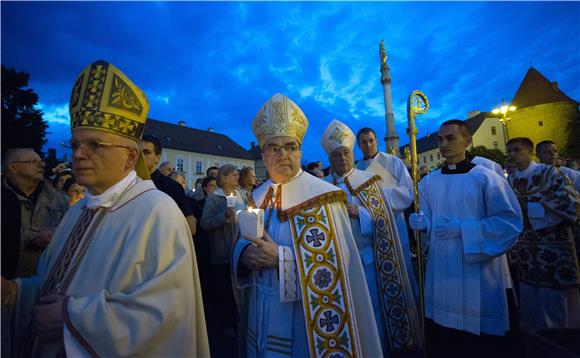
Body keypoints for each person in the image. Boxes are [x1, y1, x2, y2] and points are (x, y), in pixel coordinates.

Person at [0, 60, 209, 357]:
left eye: (95, 144)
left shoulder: (159, 213)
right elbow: (51, 289)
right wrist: (14, 293)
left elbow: (167, 317)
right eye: (74, 144)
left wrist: (71, 320)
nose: (78, 154)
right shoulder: (78, 210)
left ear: (130, 156)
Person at [232, 94, 382, 357]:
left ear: (300, 152)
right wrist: (244, 255)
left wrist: (280, 258)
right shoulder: (256, 196)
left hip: (304, 322)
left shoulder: (323, 195)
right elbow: (241, 243)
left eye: (290, 146)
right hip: (260, 308)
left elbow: (339, 267)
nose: (282, 154)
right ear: (264, 155)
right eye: (273, 147)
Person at [409, 120, 523, 357]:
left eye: (450, 138)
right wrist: (422, 224)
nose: (443, 144)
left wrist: (464, 229)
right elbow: (429, 219)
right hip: (442, 268)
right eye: (440, 139)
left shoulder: (485, 178)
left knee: (479, 343)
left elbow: (509, 223)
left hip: (477, 269)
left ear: (467, 141)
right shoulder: (428, 182)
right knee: (446, 337)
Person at [322, 119, 422, 354]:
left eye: (346, 153)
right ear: (330, 159)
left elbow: (400, 200)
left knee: (376, 306)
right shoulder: (324, 186)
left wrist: (362, 212)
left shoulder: (379, 172)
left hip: (373, 251)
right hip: (341, 261)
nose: (343, 159)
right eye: (337, 156)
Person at [506, 137, 580, 331]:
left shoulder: (550, 173)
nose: (512, 155)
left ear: (530, 151)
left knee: (557, 302)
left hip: (554, 246)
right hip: (527, 251)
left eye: (517, 150)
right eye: (509, 151)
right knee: (532, 300)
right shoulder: (511, 179)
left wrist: (530, 207)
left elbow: (572, 205)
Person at [356, 127, 418, 297]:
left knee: (399, 268)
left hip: (394, 224)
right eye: (363, 142)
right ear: (358, 145)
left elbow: (408, 192)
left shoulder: (393, 162)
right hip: (371, 226)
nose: (368, 145)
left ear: (377, 141)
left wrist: (379, 196)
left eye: (371, 140)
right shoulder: (357, 168)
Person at [2, 148, 69, 277]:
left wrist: (54, 233)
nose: (41, 165)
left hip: (45, 281)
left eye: (41, 161)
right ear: (13, 167)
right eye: (33, 161)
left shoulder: (60, 200)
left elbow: (72, 229)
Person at [141, 134, 197, 237]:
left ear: (157, 158)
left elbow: (190, 227)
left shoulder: (172, 187)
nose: (141, 157)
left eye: (146, 152)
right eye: (138, 152)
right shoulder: (129, 183)